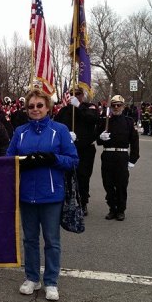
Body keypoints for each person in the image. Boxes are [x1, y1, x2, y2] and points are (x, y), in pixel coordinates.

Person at [6, 88, 78, 301]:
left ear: (48, 107)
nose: (35, 109)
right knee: (29, 240)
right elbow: (8, 160)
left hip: (51, 195)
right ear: (26, 109)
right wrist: (23, 163)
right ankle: (32, 277)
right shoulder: (20, 131)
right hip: (26, 194)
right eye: (31, 106)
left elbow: (73, 160)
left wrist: (52, 159)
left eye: (39, 105)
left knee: (52, 240)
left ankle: (51, 281)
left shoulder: (60, 130)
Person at [55, 85, 100, 215]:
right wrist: (66, 134)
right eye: (72, 93)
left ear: (82, 95)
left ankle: (83, 203)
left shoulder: (89, 107)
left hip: (85, 149)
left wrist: (79, 107)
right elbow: (56, 126)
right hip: (68, 150)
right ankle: (67, 202)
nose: (75, 95)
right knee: (67, 176)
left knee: (83, 177)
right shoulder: (64, 111)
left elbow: (94, 119)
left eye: (78, 93)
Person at [95, 95, 140, 221]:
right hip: (108, 155)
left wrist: (133, 160)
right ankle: (112, 209)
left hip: (122, 156)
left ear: (123, 106)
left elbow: (134, 142)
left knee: (121, 185)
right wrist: (100, 137)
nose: (116, 107)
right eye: (113, 105)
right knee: (108, 184)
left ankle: (120, 210)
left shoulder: (129, 122)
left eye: (118, 105)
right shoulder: (105, 121)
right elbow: (97, 140)